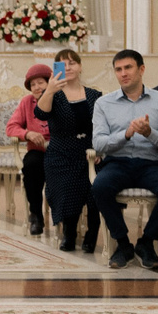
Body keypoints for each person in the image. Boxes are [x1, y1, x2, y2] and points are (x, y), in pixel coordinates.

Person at [90, 48, 158, 271]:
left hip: (152, 164)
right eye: (118, 69)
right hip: (117, 163)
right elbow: (99, 144)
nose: (123, 73)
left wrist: (149, 132)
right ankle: (123, 244)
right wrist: (126, 134)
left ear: (141, 69)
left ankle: (147, 242)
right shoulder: (104, 103)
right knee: (100, 187)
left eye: (128, 68)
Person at [37, 48, 102, 253]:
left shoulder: (94, 95)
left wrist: (99, 150)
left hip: (91, 152)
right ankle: (69, 234)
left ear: (80, 66)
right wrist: (49, 90)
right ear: (56, 69)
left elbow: (103, 127)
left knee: (96, 191)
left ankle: (92, 234)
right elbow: (40, 113)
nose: (68, 67)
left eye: (72, 63)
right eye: (62, 64)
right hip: (61, 153)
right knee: (67, 189)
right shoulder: (53, 95)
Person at [4, 63, 52, 235]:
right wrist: (27, 133)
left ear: (50, 82)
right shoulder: (27, 102)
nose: (37, 87)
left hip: (59, 150)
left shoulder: (60, 100)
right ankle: (36, 215)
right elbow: (11, 127)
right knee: (31, 167)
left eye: (40, 83)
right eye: (33, 84)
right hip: (37, 151)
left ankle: (65, 221)